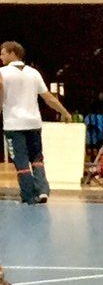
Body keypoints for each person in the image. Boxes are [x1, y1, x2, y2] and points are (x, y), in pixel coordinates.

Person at [1, 40, 71, 205]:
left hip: (14, 124)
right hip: (34, 123)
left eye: (3, 52)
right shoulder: (34, 73)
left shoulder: (2, 72)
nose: (1, 56)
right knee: (37, 158)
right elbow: (48, 98)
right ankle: (42, 190)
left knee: (21, 161)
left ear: (12, 53)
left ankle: (28, 195)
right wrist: (65, 112)